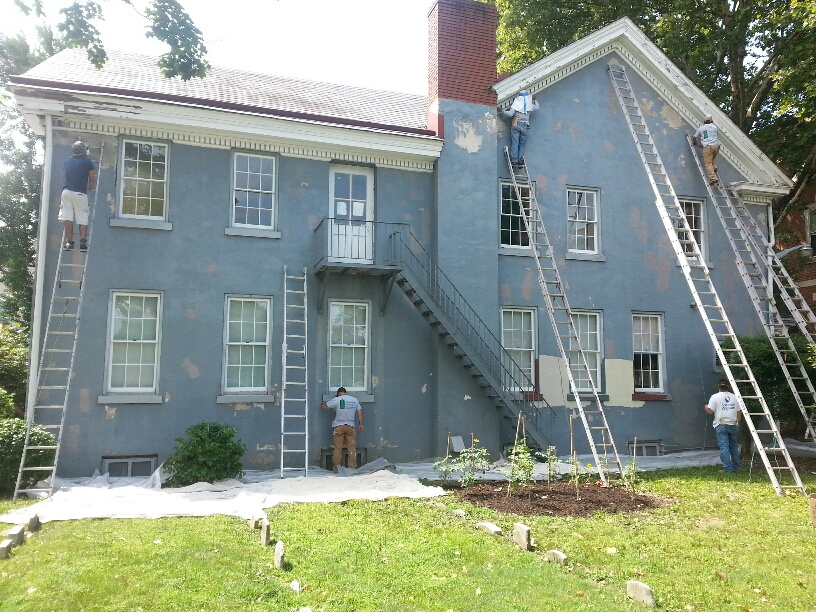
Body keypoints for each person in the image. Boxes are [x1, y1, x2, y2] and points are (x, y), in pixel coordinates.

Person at [60, 140, 96, 251]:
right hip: (80, 193)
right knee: (82, 218)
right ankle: (83, 243)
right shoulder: (87, 161)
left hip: (66, 192)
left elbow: (63, 175)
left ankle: (69, 242)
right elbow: (92, 177)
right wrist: (90, 187)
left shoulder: (67, 161)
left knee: (67, 217)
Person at [321, 386, 363, 473]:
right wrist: (360, 424)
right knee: (351, 449)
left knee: (337, 448)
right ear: (345, 392)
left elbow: (324, 407)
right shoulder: (354, 400)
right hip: (350, 426)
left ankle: (337, 469)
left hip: (339, 426)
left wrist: (323, 403)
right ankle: (352, 469)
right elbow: (359, 412)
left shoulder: (338, 399)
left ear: (338, 393)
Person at [704, 378, 741, 473]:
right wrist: (738, 424)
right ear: (728, 387)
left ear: (718, 386)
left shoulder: (715, 397)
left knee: (724, 447)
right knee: (734, 446)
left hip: (721, 424)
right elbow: (738, 412)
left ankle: (727, 469)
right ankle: (736, 468)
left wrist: (706, 408)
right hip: (733, 424)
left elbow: (710, 411)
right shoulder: (735, 397)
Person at [502, 91, 539, 166]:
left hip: (516, 123)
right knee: (522, 144)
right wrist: (534, 100)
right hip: (525, 125)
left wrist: (503, 111)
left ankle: (514, 160)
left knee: (515, 143)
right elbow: (537, 107)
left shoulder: (516, 103)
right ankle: (520, 160)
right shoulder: (529, 105)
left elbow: (510, 114)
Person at [692, 115, 720, 186]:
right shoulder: (715, 128)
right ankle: (715, 167)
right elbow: (715, 136)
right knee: (712, 158)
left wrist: (695, 143)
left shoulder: (701, 129)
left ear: (704, 121)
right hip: (716, 146)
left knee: (708, 163)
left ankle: (713, 178)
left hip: (708, 147)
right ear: (712, 121)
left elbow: (694, 138)